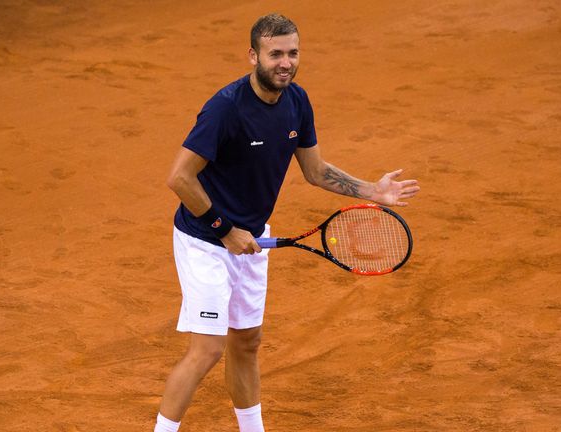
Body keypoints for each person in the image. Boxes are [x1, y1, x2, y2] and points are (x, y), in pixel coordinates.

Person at [153, 13, 420, 432]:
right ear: (253, 56)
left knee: (247, 342)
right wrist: (225, 229)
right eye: (275, 53)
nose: (285, 63)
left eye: (292, 53)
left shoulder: (297, 102)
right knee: (208, 350)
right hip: (205, 239)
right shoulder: (226, 109)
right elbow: (179, 178)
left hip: (252, 238)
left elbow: (314, 171)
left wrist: (372, 191)